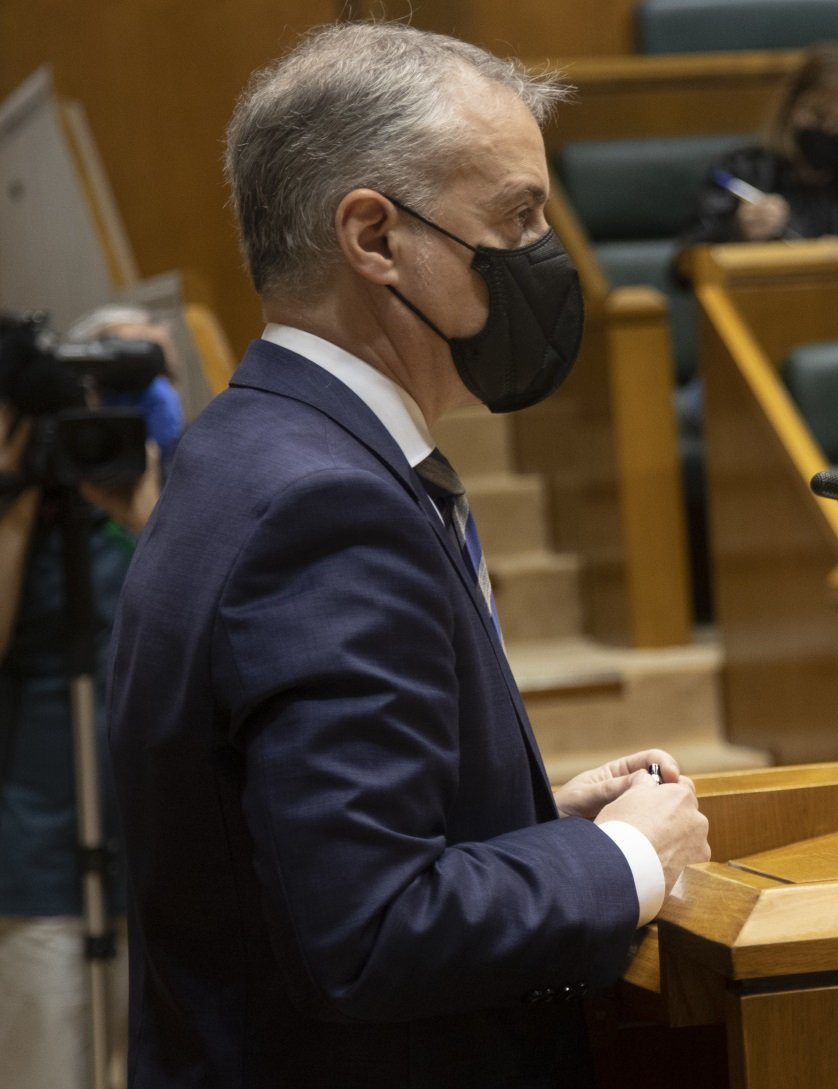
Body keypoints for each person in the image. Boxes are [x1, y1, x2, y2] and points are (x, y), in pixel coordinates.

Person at [106, 22, 711, 1089]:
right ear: (375, 238)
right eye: (517, 216)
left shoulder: (248, 447)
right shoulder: (325, 507)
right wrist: (623, 861)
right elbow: (372, 928)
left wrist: (521, 823)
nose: (543, 254)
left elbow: (285, 852)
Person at [0, 305, 180, 1089]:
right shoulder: (16, 508)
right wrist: (13, 501)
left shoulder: (152, 494)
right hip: (37, 861)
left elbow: (194, 633)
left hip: (155, 859)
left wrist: (135, 505)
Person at [675, 42, 838, 255]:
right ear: (792, 106)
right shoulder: (741, 168)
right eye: (817, 115)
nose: (829, 131)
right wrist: (738, 234)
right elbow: (684, 266)